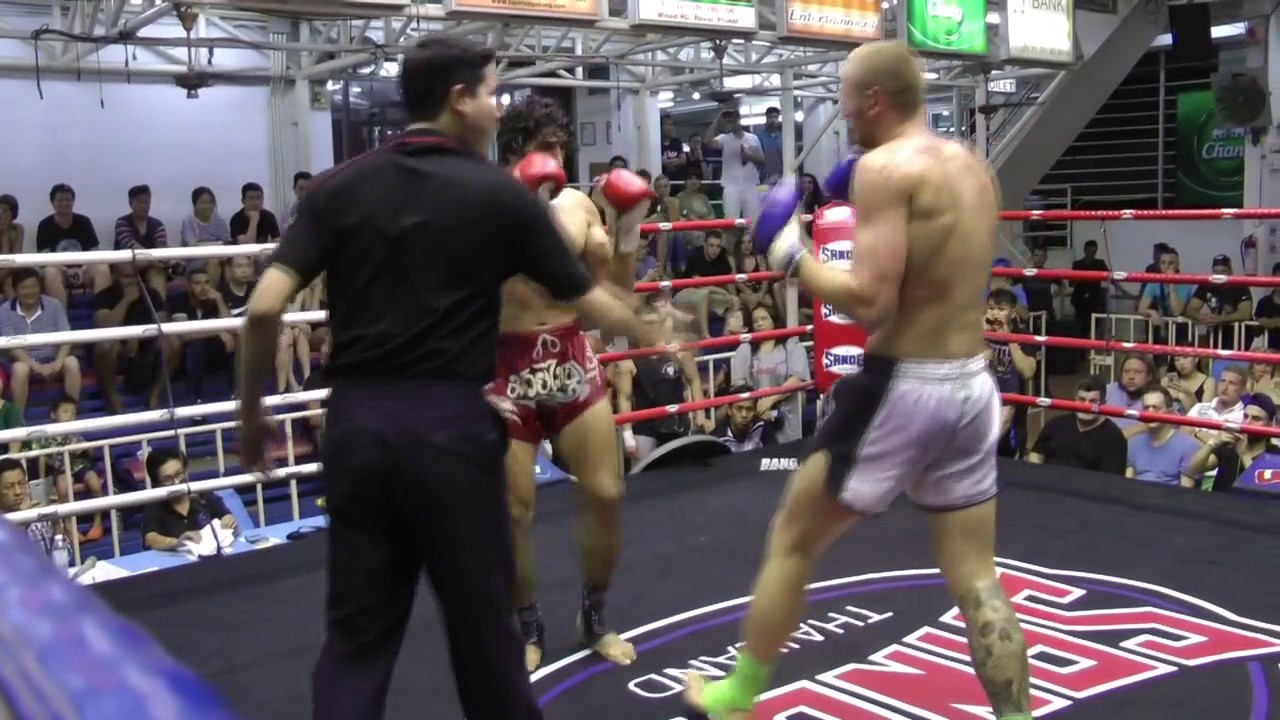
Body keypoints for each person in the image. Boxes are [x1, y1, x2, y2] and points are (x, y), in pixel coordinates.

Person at [236, 36, 658, 720]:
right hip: (453, 419)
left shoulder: (337, 187)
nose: (498, 108)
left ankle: (590, 614)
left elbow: (262, 309)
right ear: (460, 100)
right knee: (485, 636)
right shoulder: (496, 194)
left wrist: (251, 414)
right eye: (492, 94)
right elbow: (593, 301)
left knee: (355, 638)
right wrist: (657, 329)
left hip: (359, 423)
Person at [685, 41, 1032, 720]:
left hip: (904, 384)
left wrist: (791, 255)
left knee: (793, 537)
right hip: (971, 383)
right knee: (976, 576)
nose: (842, 115)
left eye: (845, 99)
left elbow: (871, 301)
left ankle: (734, 697)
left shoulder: (886, 168)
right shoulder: (973, 167)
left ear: (873, 100)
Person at [492, 93, 650, 672]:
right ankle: (528, 627)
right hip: (505, 365)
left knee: (607, 494)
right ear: (515, 151)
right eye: (545, 148)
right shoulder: (483, 206)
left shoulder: (580, 206)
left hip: (570, 358)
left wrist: (627, 231)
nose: (556, 161)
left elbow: (614, 293)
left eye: (561, 149)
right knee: (515, 513)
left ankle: (594, 617)